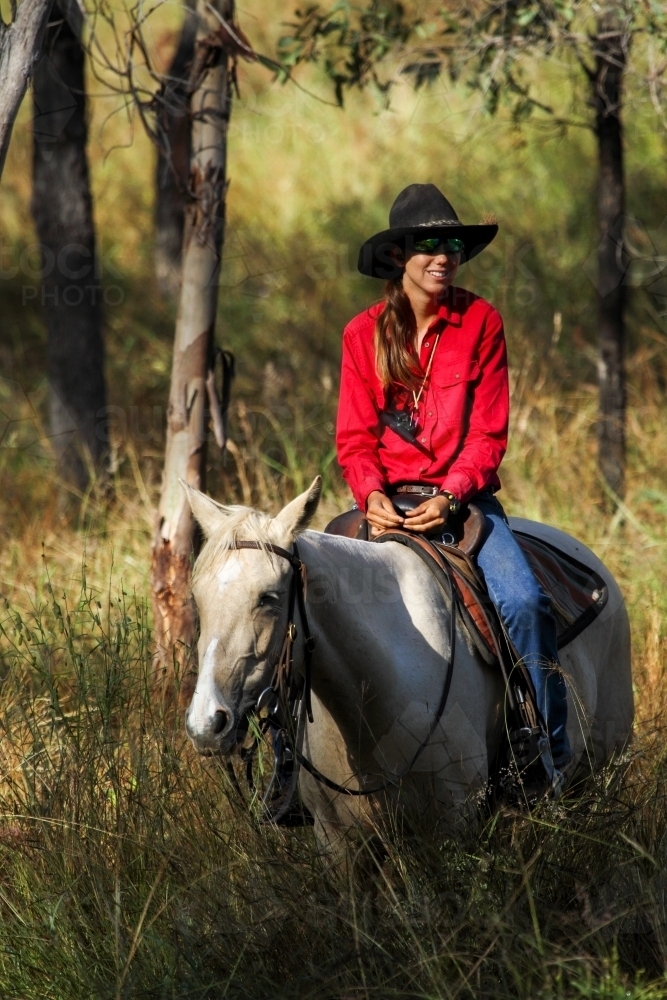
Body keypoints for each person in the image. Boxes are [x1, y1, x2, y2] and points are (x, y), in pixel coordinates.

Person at [335, 182, 571, 790]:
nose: (444, 255)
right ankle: (284, 766)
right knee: (301, 590)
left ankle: (547, 755)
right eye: (428, 244)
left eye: (453, 245)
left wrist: (449, 495)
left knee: (523, 602)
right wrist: (373, 497)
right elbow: (354, 440)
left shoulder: (481, 321)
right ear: (397, 258)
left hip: (462, 500)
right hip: (385, 503)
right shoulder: (361, 335)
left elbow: (489, 434)